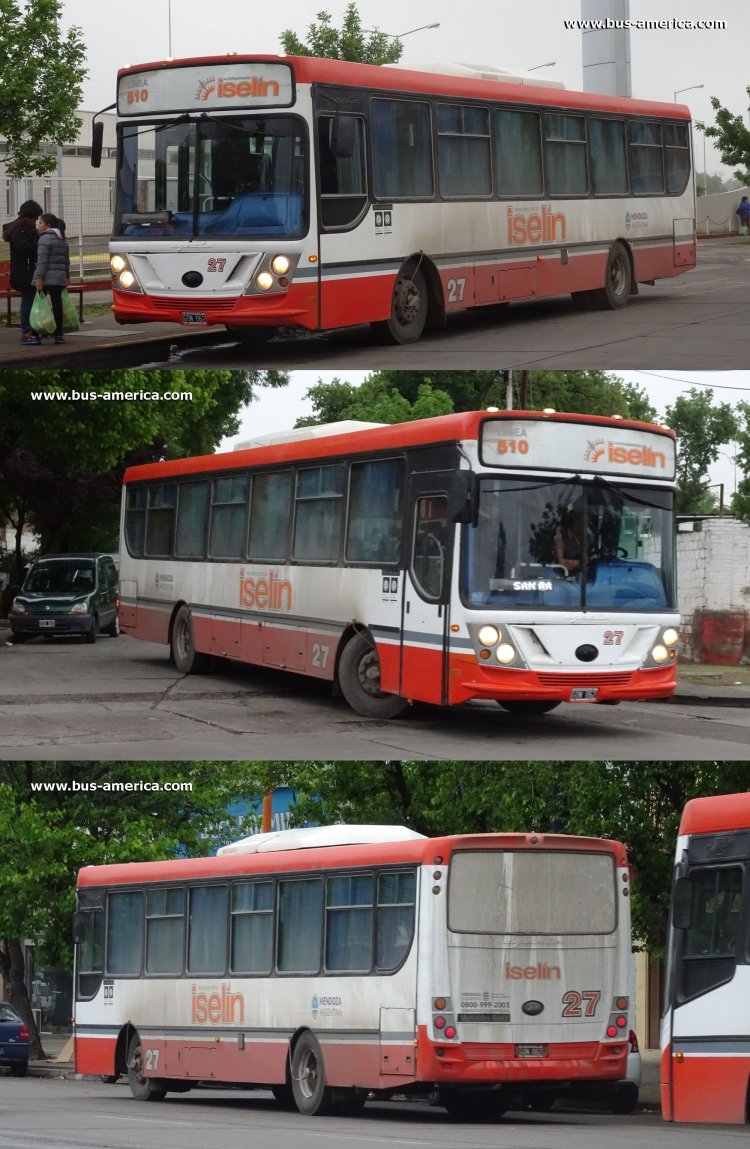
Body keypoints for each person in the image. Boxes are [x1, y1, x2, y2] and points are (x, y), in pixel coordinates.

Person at [1, 199, 43, 346]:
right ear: (28, 216)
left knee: (31, 299)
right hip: (24, 272)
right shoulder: (19, 230)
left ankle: (32, 329)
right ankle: (26, 331)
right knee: (28, 299)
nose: (36, 221)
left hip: (29, 270)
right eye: (35, 217)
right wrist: (41, 243)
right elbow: (25, 248)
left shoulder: (26, 228)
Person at [32, 212, 70, 344]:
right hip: (59, 277)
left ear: (48, 225)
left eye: (41, 223)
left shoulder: (44, 239)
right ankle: (59, 334)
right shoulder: (62, 239)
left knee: (38, 305)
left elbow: (42, 260)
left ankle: (35, 335)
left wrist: (39, 277)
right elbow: (66, 261)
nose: (38, 225)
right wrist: (67, 276)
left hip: (46, 277)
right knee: (57, 305)